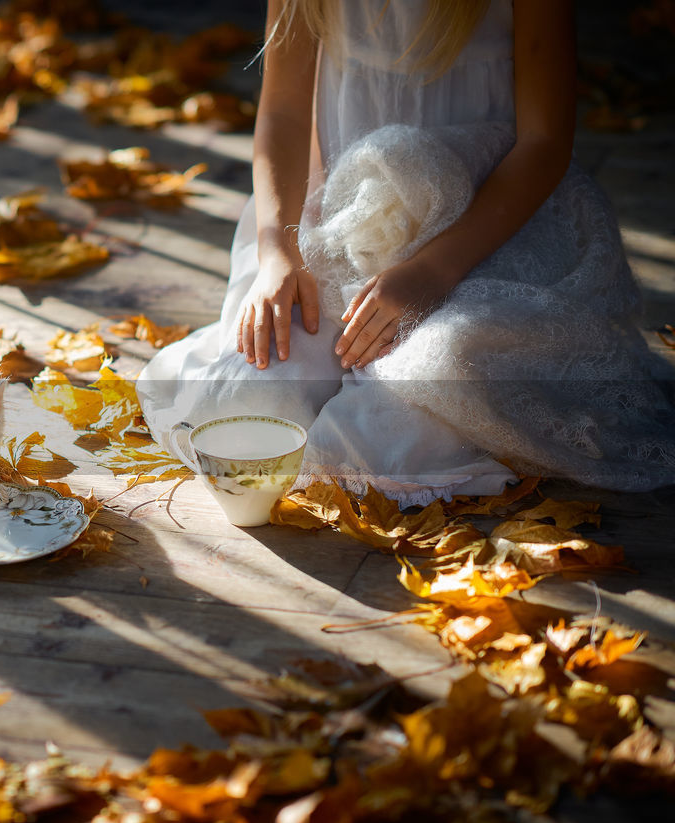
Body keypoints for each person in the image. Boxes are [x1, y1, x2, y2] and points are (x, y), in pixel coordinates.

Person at [137, 0, 675, 506]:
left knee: (410, 408)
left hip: (488, 236)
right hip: (340, 227)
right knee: (253, 399)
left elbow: (544, 142)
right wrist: (280, 252)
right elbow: (282, 111)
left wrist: (432, 271)